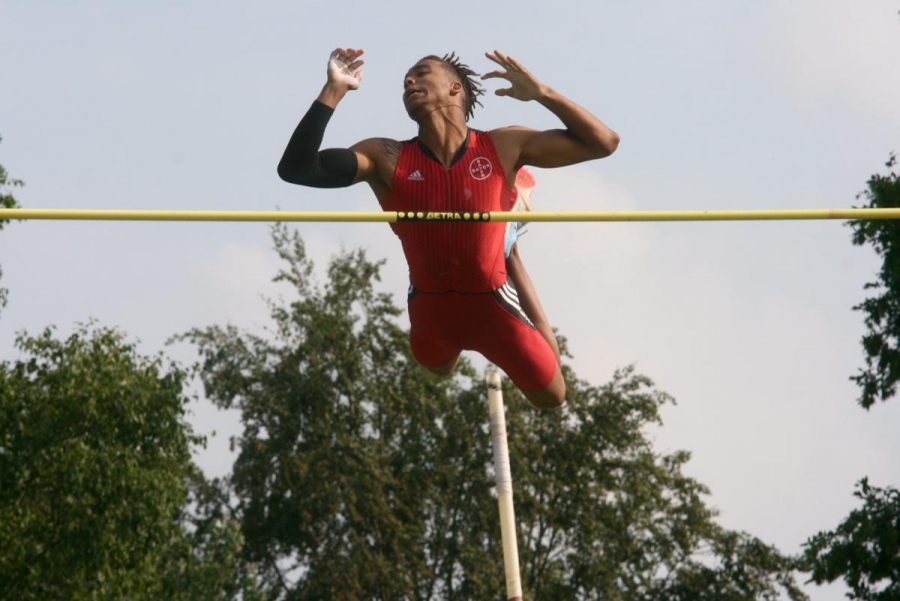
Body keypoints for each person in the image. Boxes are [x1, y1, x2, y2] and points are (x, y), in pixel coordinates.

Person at [277, 48, 619, 408]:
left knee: (552, 396)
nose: (409, 81)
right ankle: (506, 230)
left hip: (494, 306)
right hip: (432, 310)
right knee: (438, 368)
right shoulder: (384, 156)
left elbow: (603, 142)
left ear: (456, 88)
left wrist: (543, 94)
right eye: (406, 79)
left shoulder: (503, 145)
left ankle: (510, 248)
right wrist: (334, 90)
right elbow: (298, 169)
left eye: (422, 73)